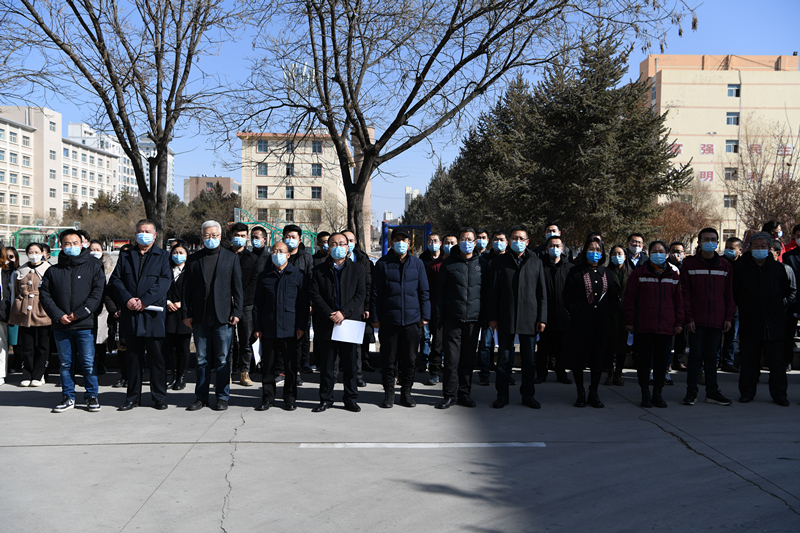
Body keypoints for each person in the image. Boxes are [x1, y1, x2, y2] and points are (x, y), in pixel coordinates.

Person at [39, 229, 106, 412]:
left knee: (88, 362)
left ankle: (91, 396)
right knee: (65, 363)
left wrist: (79, 313)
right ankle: (68, 396)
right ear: (61, 246)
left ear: (82, 244)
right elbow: (45, 295)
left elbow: (97, 294)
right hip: (61, 325)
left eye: (75, 243)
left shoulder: (93, 267)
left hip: (84, 324)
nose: (71, 246)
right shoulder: (53, 271)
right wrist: (58, 315)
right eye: (67, 243)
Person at [110, 219, 172, 411]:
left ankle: (159, 397)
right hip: (131, 315)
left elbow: (164, 281)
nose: (143, 234)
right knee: (133, 359)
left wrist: (144, 300)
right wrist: (128, 299)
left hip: (153, 315)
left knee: (157, 359)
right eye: (140, 231)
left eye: (147, 231)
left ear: (154, 235)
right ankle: (132, 398)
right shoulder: (126, 255)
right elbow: (116, 280)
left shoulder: (163, 256)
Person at [183, 220, 243, 411]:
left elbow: (237, 288)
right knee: (201, 359)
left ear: (220, 236)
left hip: (223, 317)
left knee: (223, 359)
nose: (211, 238)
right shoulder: (193, 259)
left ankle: (222, 397)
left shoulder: (230, 257)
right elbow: (186, 289)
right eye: (207, 235)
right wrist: (186, 313)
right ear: (202, 237)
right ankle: (201, 397)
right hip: (199, 316)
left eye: (214, 235)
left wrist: (237, 311)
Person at [487, 225, 547, 409]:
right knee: (504, 359)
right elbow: (493, 292)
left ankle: (528, 395)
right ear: (509, 241)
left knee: (529, 360)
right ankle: (502, 395)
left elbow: (542, 293)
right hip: (506, 317)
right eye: (514, 238)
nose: (518, 241)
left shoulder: (536, 262)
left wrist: (542, 318)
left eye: (521, 238)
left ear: (527, 242)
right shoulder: (499, 262)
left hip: (530, 318)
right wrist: (493, 317)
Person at [734, 232, 796, 406]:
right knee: (749, 362)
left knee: (777, 363)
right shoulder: (741, 268)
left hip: (774, 323)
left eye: (763, 246)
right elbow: (735, 292)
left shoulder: (778, 268)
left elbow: (790, 292)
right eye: (756, 246)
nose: (760, 249)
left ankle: (779, 394)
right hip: (750, 322)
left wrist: (780, 305)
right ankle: (747, 393)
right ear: (750, 247)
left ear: (769, 248)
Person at [371, 228, 430, 408]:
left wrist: (425, 315)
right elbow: (375, 294)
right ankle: (389, 393)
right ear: (392, 243)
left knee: (410, 360)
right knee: (388, 360)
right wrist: (375, 317)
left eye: (404, 240)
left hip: (412, 321)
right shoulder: (382, 264)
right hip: (389, 320)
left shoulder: (417, 264)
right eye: (397, 240)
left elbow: (424, 292)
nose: (401, 243)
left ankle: (406, 393)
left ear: (409, 244)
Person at [309, 232, 365, 412]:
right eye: (333, 244)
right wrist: (330, 313)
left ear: (348, 247)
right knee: (327, 365)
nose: (338, 247)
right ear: (328, 248)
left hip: (349, 322)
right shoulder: (318, 270)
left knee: (350, 364)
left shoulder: (357, 269)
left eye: (342, 243)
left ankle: (350, 398)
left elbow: (360, 294)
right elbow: (315, 295)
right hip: (327, 322)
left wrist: (344, 312)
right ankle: (326, 399)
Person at [679, 228, 735, 407]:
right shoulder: (689, 265)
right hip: (696, 320)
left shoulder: (725, 265)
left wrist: (728, 317)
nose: (710, 242)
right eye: (706, 239)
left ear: (717, 242)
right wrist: (689, 318)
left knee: (712, 357)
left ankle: (712, 391)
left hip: (717, 319)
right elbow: (685, 294)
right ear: (699, 242)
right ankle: (691, 392)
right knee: (695, 356)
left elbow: (729, 293)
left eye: (713, 239)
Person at [625, 241, 684, 408]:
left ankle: (658, 393)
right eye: (654, 251)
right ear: (649, 254)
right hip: (644, 326)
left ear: (667, 254)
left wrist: (679, 322)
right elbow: (629, 299)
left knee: (661, 362)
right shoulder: (638, 274)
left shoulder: (673, 276)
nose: (658, 254)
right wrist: (630, 321)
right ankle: (645, 393)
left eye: (661, 251)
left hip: (665, 327)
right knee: (643, 362)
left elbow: (679, 302)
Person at [563, 235, 619, 408]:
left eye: (598, 250)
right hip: (580, 324)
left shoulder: (607, 273)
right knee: (579, 358)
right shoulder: (576, 271)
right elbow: (567, 296)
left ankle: (593, 392)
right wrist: (576, 312)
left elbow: (613, 298)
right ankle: (580, 392)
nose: (594, 252)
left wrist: (608, 315)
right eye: (591, 249)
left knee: (598, 358)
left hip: (601, 324)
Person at [253, 241, 309, 411]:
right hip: (269, 327)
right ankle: (267, 398)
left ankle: (290, 398)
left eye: (281, 251)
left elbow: (303, 304)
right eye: (274, 251)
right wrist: (257, 327)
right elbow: (258, 305)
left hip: (291, 328)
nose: (278, 254)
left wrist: (301, 326)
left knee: (290, 366)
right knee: (268, 366)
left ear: (288, 255)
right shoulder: (264, 276)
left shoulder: (298, 275)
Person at [434, 227, 483, 409]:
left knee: (467, 360)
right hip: (452, 319)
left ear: (475, 243)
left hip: (473, 319)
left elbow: (486, 293)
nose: (466, 242)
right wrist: (438, 316)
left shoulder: (482, 264)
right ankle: (449, 395)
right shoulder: (448, 264)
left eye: (470, 239)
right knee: (451, 360)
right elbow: (439, 292)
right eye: (463, 239)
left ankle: (464, 393)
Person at [10, 243, 50, 387]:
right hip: (24, 312)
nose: (34, 255)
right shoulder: (20, 271)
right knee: (26, 345)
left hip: (42, 310)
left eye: (37, 252)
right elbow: (15, 291)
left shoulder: (49, 269)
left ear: (42, 253)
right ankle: (27, 373)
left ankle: (39, 374)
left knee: (43, 345)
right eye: (31, 252)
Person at [536, 234, 572, 385]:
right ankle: (541, 373)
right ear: (546, 248)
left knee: (562, 348)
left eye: (557, 246)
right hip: (545, 315)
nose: (555, 248)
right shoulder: (540, 266)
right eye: (552, 246)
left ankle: (561, 373)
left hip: (564, 315)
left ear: (562, 249)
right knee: (543, 347)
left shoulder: (569, 268)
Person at [229, 222, 261, 387]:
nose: (239, 238)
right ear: (231, 236)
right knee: (228, 341)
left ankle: (244, 372)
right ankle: (227, 372)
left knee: (246, 340)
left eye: (242, 236)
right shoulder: (224, 255)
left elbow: (253, 283)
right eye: (236, 235)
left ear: (247, 237)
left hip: (246, 304)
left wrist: (239, 300)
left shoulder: (252, 258)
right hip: (226, 303)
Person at [424, 233, 457, 385]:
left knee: (452, 346)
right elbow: (428, 289)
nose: (450, 246)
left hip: (455, 312)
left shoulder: (459, 264)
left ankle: (450, 372)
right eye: (447, 243)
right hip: (437, 310)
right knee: (436, 343)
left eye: (453, 243)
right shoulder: (434, 266)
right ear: (442, 245)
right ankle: (434, 371)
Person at [476, 230, 508, 386]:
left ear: (507, 242)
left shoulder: (510, 260)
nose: (498, 242)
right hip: (488, 308)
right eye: (496, 239)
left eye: (501, 239)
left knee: (505, 345)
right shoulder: (484, 260)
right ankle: (484, 373)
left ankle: (505, 374)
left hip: (506, 309)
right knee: (485, 343)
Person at [343, 229, 374, 385]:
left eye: (351, 241)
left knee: (356, 345)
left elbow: (368, 286)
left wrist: (366, 307)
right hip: (339, 309)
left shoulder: (363, 261)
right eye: (346, 240)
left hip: (357, 308)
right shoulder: (332, 261)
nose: (348, 244)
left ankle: (357, 376)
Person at [284, 224, 314, 378]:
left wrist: (310, 303)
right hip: (284, 303)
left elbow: (311, 281)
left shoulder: (306, 257)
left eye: (293, 237)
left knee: (303, 335)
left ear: (300, 240)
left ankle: (303, 364)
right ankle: (285, 368)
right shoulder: (279, 255)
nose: (290, 240)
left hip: (302, 302)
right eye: (287, 237)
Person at [165, 241, 192, 390]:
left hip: (184, 312)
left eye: (181, 253)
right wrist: (168, 302)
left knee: (183, 347)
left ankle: (182, 377)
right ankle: (174, 376)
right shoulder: (167, 270)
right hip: (169, 312)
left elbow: (194, 291)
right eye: (175, 253)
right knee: (172, 348)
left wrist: (182, 303)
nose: (178, 255)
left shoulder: (190, 270)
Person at [717, 236, 743, 373]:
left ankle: (728, 361)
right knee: (716, 335)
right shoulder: (720, 262)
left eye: (732, 248)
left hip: (736, 303)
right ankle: (715, 361)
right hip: (720, 302)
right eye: (727, 247)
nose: (728, 250)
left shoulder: (743, 264)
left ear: (740, 250)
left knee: (732, 335)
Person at [418, 233, 442, 374]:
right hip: (427, 303)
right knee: (425, 336)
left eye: (435, 241)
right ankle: (424, 361)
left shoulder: (445, 260)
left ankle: (440, 361)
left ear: (440, 243)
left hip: (440, 305)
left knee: (439, 337)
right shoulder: (422, 260)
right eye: (430, 241)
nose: (433, 243)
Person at [771, 239, 797, 372]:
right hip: (766, 311)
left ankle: (786, 362)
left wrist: (783, 304)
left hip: (784, 310)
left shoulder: (786, 269)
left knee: (786, 337)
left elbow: (792, 290)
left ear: (777, 253)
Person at [605, 245, 629, 386]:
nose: (617, 256)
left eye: (620, 254)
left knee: (622, 345)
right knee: (609, 344)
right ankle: (609, 373)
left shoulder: (630, 273)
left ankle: (619, 373)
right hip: (610, 312)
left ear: (625, 256)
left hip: (624, 313)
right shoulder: (606, 272)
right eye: (614, 254)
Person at [88, 240, 114, 376]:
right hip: (88, 306)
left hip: (104, 307)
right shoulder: (85, 266)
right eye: (92, 249)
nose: (95, 252)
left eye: (97, 249)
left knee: (101, 336)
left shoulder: (109, 268)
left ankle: (101, 363)